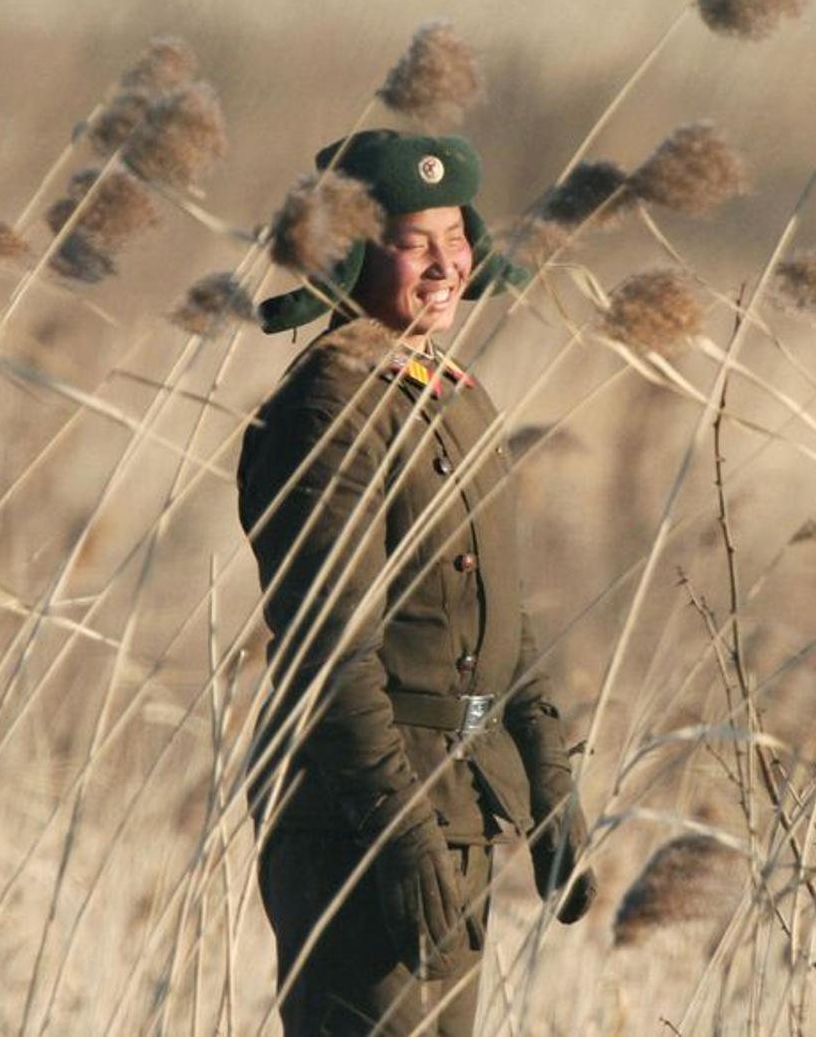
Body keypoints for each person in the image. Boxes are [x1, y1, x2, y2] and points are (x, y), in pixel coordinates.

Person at [237, 130, 596, 1037]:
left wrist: (550, 785)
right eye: (412, 242)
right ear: (353, 253)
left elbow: (501, 621)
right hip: (359, 826)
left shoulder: (449, 391)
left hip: (461, 811)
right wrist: (397, 834)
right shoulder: (329, 405)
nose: (444, 265)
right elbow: (329, 648)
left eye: (455, 236)